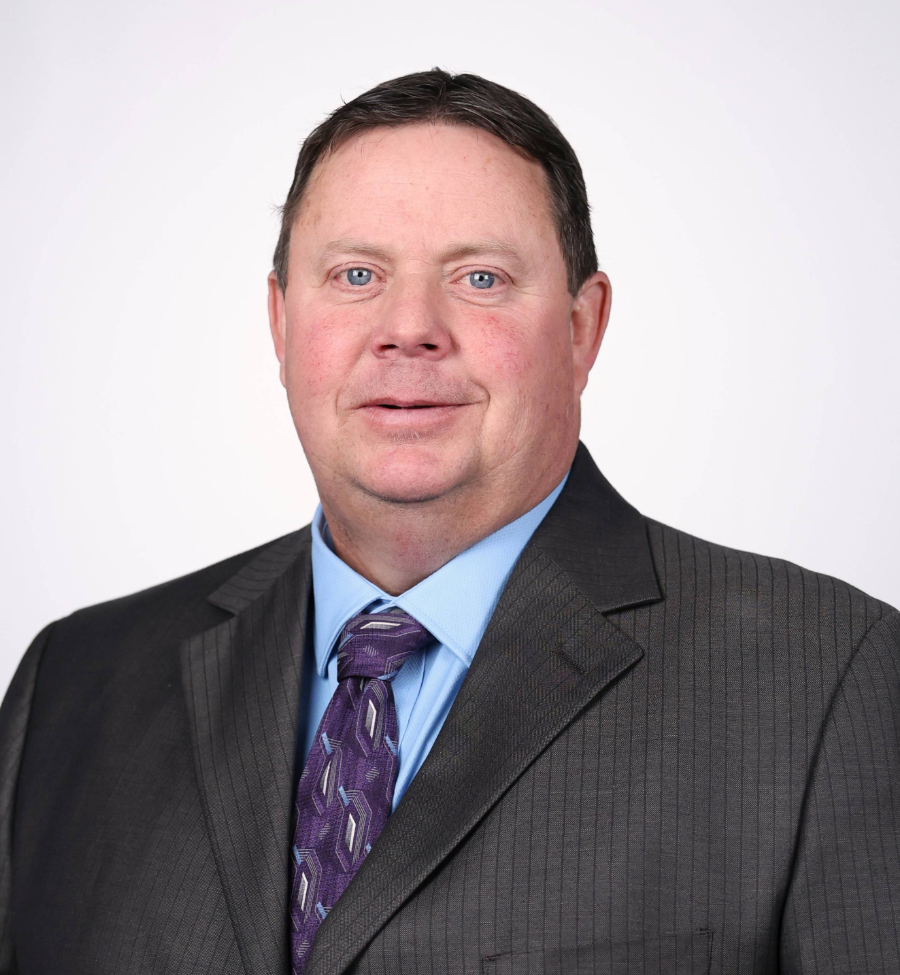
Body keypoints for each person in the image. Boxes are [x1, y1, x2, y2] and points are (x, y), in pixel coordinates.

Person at [1, 68, 898, 975]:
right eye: (356, 274)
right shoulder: (71, 687)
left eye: (480, 277)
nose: (410, 328)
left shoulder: (828, 682)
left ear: (582, 328)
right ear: (280, 321)